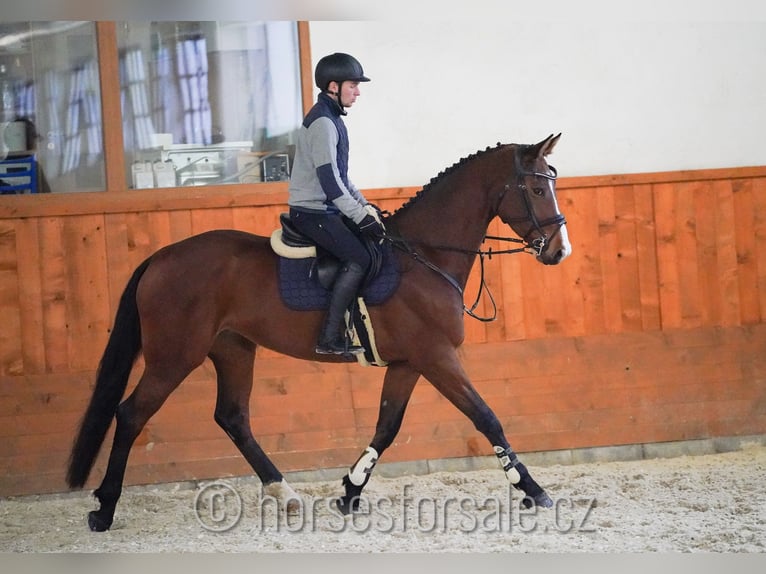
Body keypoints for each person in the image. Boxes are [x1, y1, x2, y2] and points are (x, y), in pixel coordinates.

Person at [287, 52, 385, 355]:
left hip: (326, 208)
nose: (357, 92)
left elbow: (343, 179)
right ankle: (328, 338)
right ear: (333, 86)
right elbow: (330, 184)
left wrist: (367, 208)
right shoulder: (323, 124)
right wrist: (358, 216)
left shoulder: (332, 119)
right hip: (312, 212)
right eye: (353, 86)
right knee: (360, 258)